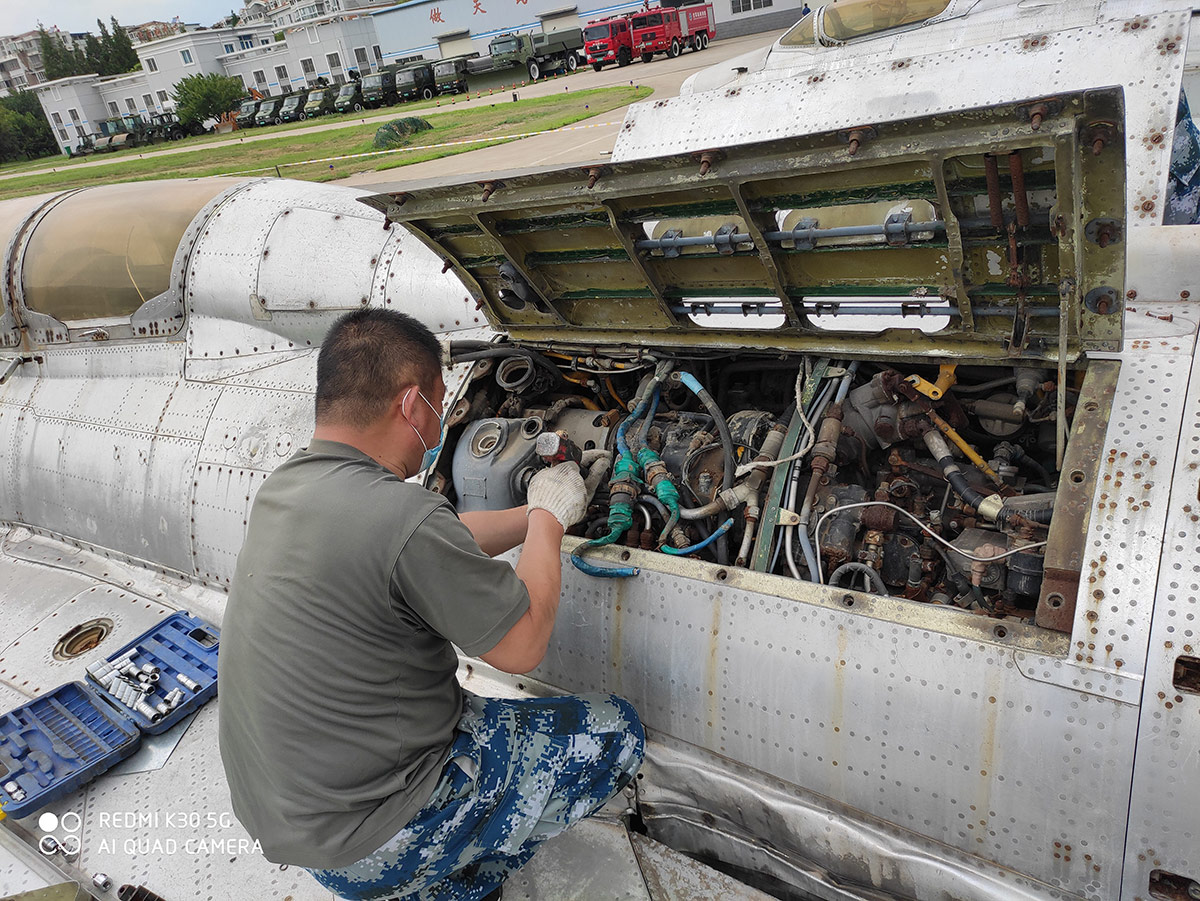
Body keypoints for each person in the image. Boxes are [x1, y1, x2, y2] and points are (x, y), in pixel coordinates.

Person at [218, 309, 644, 901]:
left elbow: (434, 539)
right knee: (615, 731)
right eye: (440, 405)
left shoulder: (291, 486)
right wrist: (547, 521)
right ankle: (448, 870)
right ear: (412, 405)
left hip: (296, 825)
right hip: (372, 837)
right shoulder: (399, 516)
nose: (442, 420)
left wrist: (538, 510)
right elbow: (521, 646)